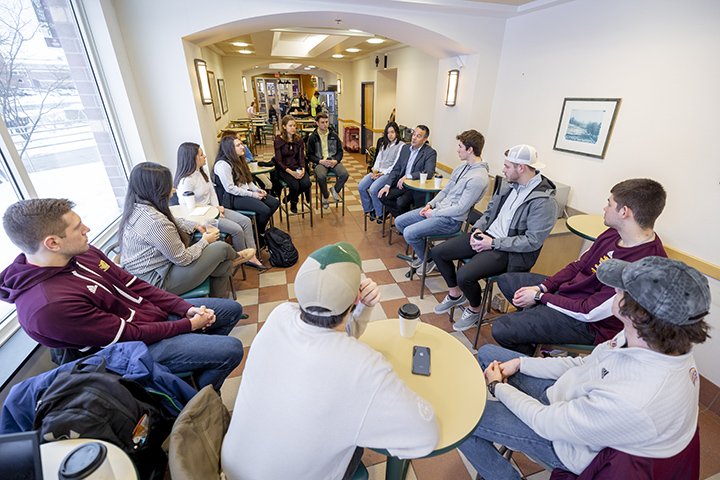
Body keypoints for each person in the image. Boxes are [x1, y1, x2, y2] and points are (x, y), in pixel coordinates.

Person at [459, 256, 711, 479]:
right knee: (489, 353)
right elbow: (581, 364)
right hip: (569, 401)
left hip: (567, 445)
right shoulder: (649, 340)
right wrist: (521, 363)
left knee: (462, 420)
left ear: (637, 313)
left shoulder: (637, 397)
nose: (612, 291)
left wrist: (498, 387)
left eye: (620, 290)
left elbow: (546, 422)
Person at [221, 242, 438, 480]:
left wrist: (360, 308)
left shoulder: (279, 314)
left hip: (233, 466)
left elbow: (329, 335)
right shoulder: (365, 365)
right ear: (356, 296)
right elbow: (425, 436)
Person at [0, 198, 245, 390]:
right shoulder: (48, 307)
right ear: (52, 243)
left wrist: (184, 309)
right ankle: (193, 401)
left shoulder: (82, 253)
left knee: (230, 310)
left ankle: (190, 376)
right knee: (231, 349)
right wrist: (188, 325)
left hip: (148, 318)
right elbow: (129, 335)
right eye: (77, 228)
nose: (87, 229)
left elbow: (134, 284)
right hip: (128, 350)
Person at [492, 178, 667, 355]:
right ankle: (539, 340)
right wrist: (544, 287)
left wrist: (540, 296)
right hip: (571, 295)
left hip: (590, 324)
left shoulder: (644, 266)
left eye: (609, 203)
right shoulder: (614, 233)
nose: (604, 208)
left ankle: (532, 357)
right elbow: (578, 266)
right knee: (508, 281)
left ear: (624, 212)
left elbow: (588, 311)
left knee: (501, 329)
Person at [432, 144, 558, 331]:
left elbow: (532, 241)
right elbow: (490, 212)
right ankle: (455, 294)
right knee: (438, 252)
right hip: (487, 236)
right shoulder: (508, 185)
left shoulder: (544, 202)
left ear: (521, 168)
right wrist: (477, 230)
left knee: (464, 275)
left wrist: (493, 243)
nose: (503, 170)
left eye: (507, 166)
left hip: (507, 250)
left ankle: (475, 310)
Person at [119, 162, 254, 298]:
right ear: (157, 189)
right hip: (156, 283)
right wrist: (205, 241)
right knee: (221, 248)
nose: (173, 189)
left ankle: (219, 308)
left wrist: (194, 225)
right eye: (169, 186)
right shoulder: (155, 222)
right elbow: (183, 258)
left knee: (222, 266)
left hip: (150, 274)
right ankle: (236, 258)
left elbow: (172, 220)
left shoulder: (138, 209)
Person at [394, 130, 490, 273]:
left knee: (409, 233)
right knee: (400, 222)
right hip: (438, 211)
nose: (457, 150)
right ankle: (428, 254)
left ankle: (429, 259)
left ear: (470, 150)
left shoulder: (478, 178)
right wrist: (430, 204)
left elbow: (460, 209)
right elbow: (445, 191)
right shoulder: (462, 167)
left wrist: (433, 213)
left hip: (451, 221)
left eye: (460, 147)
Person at [175, 142, 266, 270]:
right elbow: (189, 209)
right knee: (237, 230)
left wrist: (217, 207)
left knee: (245, 221)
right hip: (203, 220)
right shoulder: (186, 181)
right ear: (192, 158)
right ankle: (242, 258)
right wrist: (213, 213)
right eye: (201, 155)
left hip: (215, 211)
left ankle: (252, 254)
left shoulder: (202, 171)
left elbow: (212, 192)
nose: (205, 156)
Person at [214, 135, 280, 245]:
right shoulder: (223, 164)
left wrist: (257, 190)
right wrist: (252, 195)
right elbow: (230, 188)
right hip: (231, 198)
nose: (243, 147)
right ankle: (257, 234)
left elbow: (247, 180)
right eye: (238, 145)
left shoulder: (239, 159)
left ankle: (257, 231)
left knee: (274, 203)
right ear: (230, 149)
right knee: (264, 210)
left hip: (244, 192)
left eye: (242, 144)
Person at [377, 125, 437, 217]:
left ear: (425, 139)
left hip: (415, 187)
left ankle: (403, 223)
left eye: (418, 136)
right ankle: (402, 218)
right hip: (401, 185)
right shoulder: (405, 148)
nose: (414, 138)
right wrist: (387, 185)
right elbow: (396, 168)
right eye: (414, 134)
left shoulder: (430, 152)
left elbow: (429, 172)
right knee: (383, 195)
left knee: (401, 202)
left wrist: (407, 176)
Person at [359, 121, 404, 222]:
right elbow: (378, 159)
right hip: (378, 171)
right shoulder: (384, 143)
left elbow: (396, 164)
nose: (390, 135)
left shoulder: (401, 146)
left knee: (373, 189)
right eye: (388, 133)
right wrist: (375, 171)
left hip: (388, 174)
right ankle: (370, 209)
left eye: (392, 132)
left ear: (397, 132)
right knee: (361, 186)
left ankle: (380, 213)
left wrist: (382, 174)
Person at [306, 112, 348, 209]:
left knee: (344, 174)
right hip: (320, 162)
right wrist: (320, 161)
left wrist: (336, 161)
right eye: (322, 122)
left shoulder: (334, 135)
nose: (325, 124)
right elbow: (309, 155)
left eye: (326, 122)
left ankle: (334, 190)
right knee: (321, 176)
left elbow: (340, 152)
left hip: (333, 161)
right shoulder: (313, 137)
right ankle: (325, 196)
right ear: (317, 123)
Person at [274, 114, 311, 213]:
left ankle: (290, 196)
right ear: (284, 127)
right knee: (294, 185)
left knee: (306, 183)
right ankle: (293, 203)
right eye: (290, 126)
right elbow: (279, 161)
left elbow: (301, 157)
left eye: (294, 126)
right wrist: (291, 172)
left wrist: (303, 169)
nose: (293, 128)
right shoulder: (278, 140)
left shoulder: (299, 140)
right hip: (284, 169)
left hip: (297, 167)